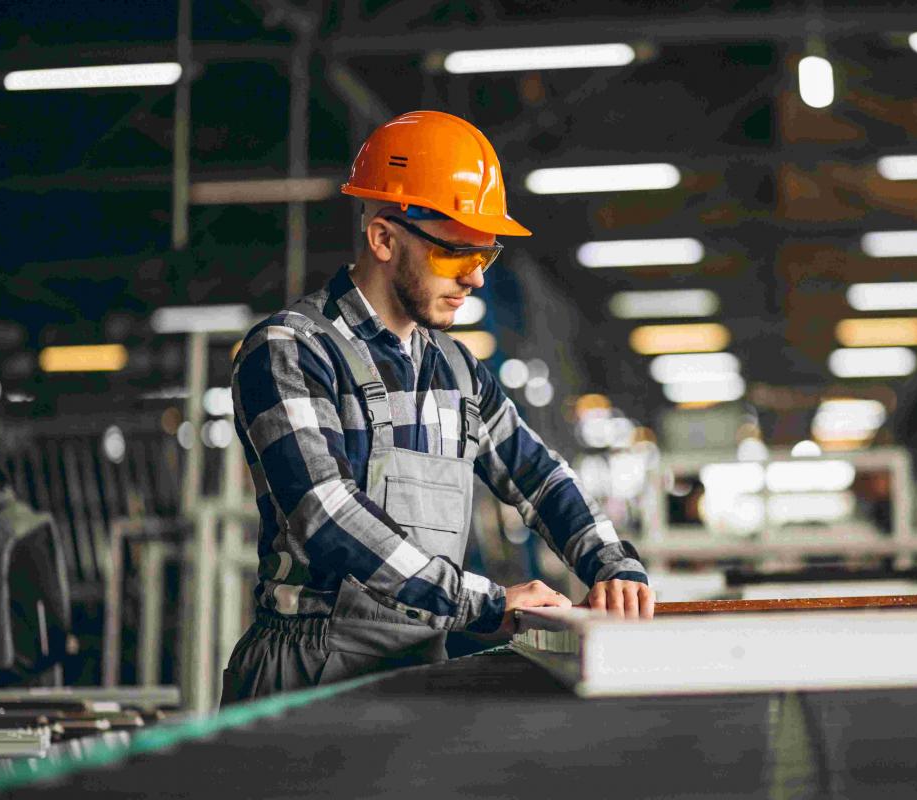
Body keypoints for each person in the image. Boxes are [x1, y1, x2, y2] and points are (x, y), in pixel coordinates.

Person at [221, 110, 654, 702]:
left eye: (485, 255)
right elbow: (325, 514)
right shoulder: (291, 350)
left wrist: (613, 565)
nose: (475, 279)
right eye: (456, 255)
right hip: (307, 669)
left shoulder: (456, 371)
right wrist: (483, 604)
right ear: (383, 238)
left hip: (418, 663)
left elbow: (539, 475)